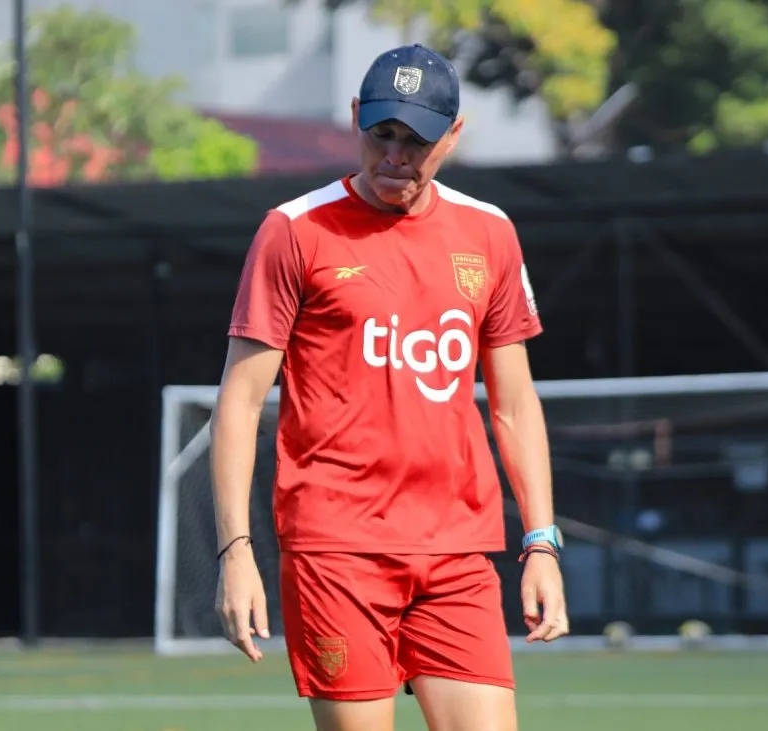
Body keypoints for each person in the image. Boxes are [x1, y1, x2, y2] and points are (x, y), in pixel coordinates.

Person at [211, 43, 568, 731]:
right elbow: (239, 402)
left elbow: (516, 405)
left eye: (417, 140)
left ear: (454, 135)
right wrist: (236, 554)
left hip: (457, 552)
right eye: (382, 134)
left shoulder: (490, 232)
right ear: (356, 118)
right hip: (336, 551)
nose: (395, 156)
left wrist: (542, 543)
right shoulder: (293, 230)